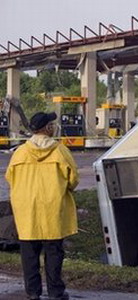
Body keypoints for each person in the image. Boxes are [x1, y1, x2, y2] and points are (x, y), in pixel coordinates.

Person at [5, 112, 78, 300]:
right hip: (52, 209)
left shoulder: (20, 152)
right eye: (51, 124)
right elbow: (73, 179)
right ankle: (55, 292)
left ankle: (33, 292)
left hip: (26, 210)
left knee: (29, 254)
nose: (54, 126)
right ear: (47, 128)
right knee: (54, 252)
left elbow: (9, 178)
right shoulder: (60, 151)